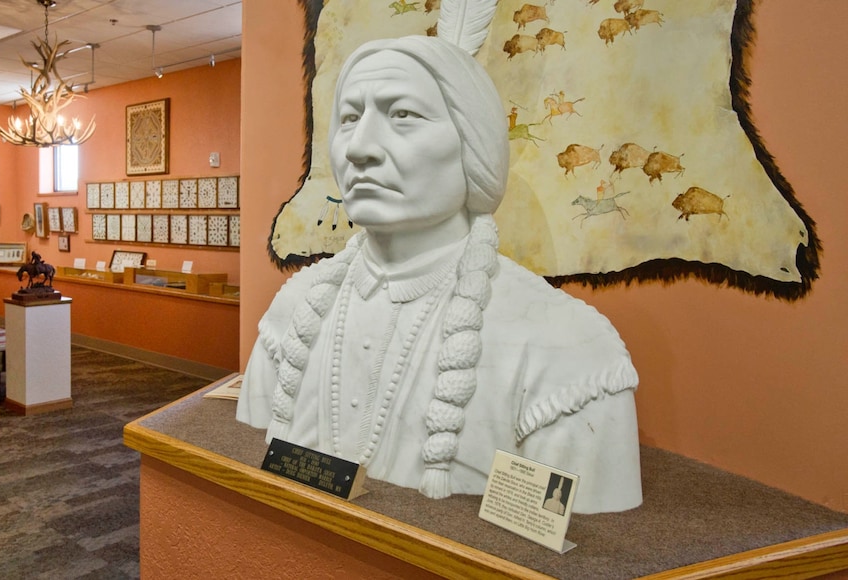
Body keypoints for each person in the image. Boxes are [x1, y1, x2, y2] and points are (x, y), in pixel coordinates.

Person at [237, 35, 642, 514]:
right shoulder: (292, 311)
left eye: (403, 115)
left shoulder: (568, 348)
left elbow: (580, 529)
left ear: (473, 143)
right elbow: (239, 461)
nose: (360, 148)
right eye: (349, 118)